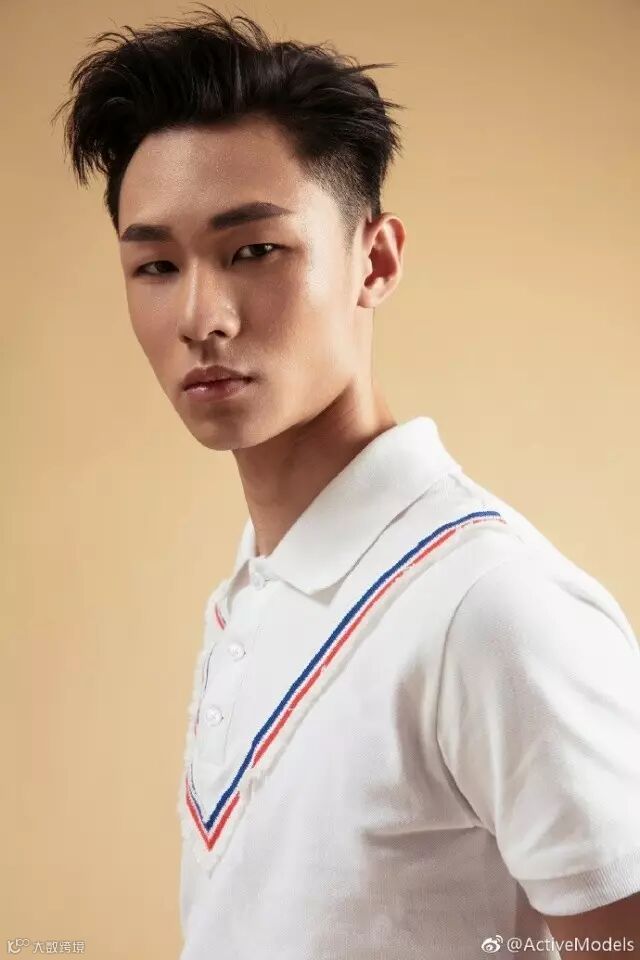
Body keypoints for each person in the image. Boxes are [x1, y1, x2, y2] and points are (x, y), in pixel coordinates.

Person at [53, 6, 640, 958]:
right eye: (155, 265)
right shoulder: (254, 589)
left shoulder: (490, 610)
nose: (202, 316)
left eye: (254, 250)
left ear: (376, 259)